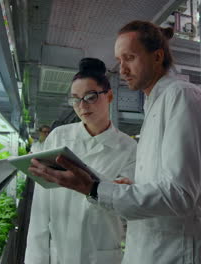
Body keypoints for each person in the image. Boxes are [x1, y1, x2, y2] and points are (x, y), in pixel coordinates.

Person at [30, 20, 201, 264]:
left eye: (129, 58)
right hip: (150, 249)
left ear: (157, 56)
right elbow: (164, 185)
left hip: (178, 252)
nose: (122, 70)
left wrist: (95, 188)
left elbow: (181, 194)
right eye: (119, 61)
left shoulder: (182, 96)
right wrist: (129, 186)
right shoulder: (155, 105)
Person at [25, 58, 137, 264]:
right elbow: (41, 207)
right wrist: (35, 259)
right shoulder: (59, 137)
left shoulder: (129, 149)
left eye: (90, 97)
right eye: (75, 99)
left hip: (102, 255)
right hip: (59, 253)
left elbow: (127, 204)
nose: (82, 106)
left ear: (109, 96)